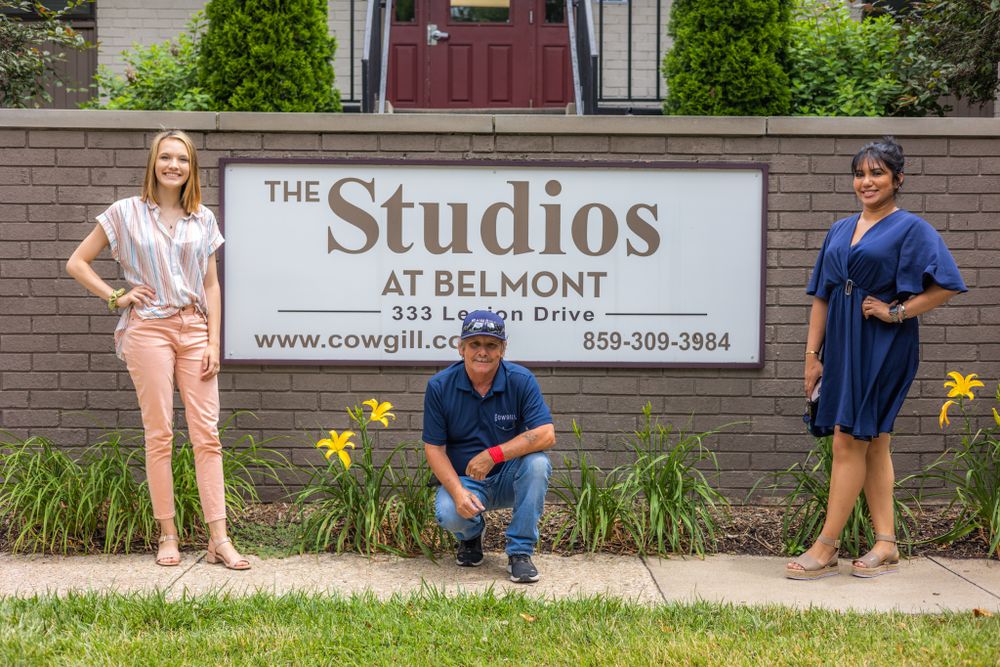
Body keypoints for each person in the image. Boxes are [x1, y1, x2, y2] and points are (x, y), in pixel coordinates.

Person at [66, 129, 250, 570]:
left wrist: (214, 341)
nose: (173, 165)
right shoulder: (125, 213)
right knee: (160, 434)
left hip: (193, 328)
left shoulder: (202, 218)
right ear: (153, 163)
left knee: (208, 435)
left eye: (182, 159)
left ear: (192, 168)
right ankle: (167, 533)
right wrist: (115, 295)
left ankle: (218, 539)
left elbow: (210, 284)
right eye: (166, 157)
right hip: (147, 330)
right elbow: (77, 262)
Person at [787, 137, 967, 580]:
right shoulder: (839, 229)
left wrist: (896, 311)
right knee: (874, 440)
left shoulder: (912, 228)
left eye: (877, 173)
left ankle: (825, 546)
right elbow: (822, 297)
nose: (866, 182)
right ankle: (886, 544)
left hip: (884, 346)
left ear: (897, 179)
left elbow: (946, 284)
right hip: (842, 344)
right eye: (861, 174)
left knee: (848, 439)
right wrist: (812, 356)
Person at [423, 310, 556, 583]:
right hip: (467, 482)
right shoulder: (439, 386)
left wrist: (493, 455)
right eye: (475, 344)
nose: (482, 352)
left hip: (510, 479)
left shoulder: (521, 380)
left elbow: (546, 434)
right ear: (461, 347)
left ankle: (520, 553)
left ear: (502, 349)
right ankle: (471, 537)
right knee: (448, 512)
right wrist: (458, 492)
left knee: (538, 463)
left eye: (491, 345)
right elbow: (434, 449)